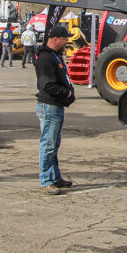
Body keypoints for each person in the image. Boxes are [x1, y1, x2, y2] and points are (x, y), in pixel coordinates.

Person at [33, 24, 75, 195]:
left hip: (56, 106)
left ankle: (54, 177)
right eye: (65, 38)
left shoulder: (54, 56)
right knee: (48, 144)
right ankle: (46, 181)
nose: (67, 42)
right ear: (55, 39)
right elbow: (47, 84)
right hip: (50, 105)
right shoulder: (45, 58)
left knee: (53, 144)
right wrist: (65, 93)